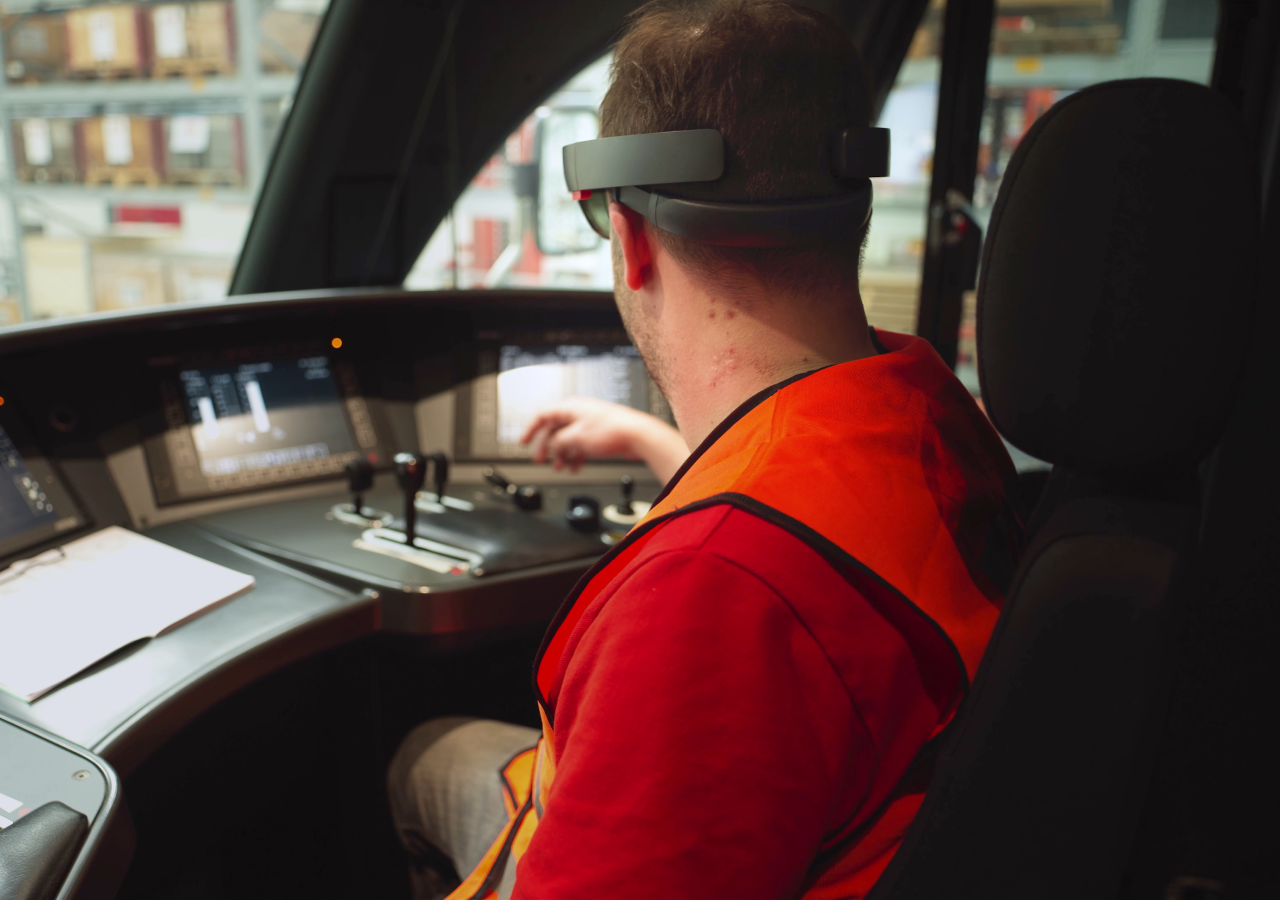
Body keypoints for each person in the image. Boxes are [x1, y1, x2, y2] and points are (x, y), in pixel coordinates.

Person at [387, 2, 1023, 897]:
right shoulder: (931, 409)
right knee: (433, 759)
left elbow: (744, 572)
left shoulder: (710, 591)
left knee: (413, 756)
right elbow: (792, 490)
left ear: (633, 238)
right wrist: (654, 444)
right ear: (853, 210)